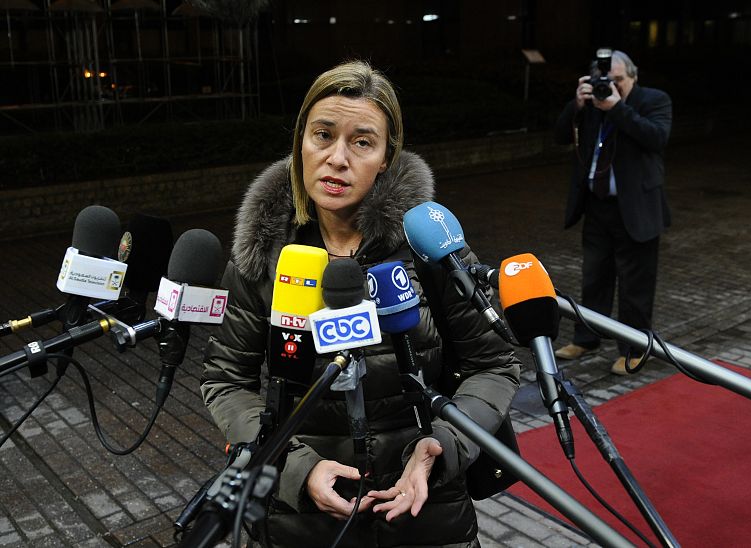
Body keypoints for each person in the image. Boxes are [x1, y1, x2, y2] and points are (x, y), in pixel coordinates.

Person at [201, 60, 521, 547]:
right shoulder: (262, 252)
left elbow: (494, 364)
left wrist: (442, 448)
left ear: (387, 156)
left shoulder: (429, 245)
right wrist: (295, 469)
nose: (336, 158)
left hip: (426, 516)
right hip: (301, 523)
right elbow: (226, 380)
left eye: (362, 142)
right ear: (300, 142)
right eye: (323, 135)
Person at [553, 50, 672, 375]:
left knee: (636, 287)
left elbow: (656, 138)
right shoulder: (591, 103)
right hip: (597, 205)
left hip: (636, 210)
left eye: (619, 80)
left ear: (633, 76)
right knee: (594, 278)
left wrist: (617, 108)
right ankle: (586, 338)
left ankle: (635, 349)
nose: (612, 87)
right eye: (605, 81)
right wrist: (577, 105)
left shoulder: (654, 100)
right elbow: (560, 135)